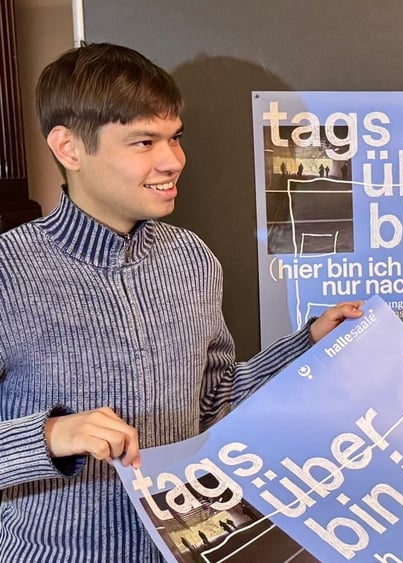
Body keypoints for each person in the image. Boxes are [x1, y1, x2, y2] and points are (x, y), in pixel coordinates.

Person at [0, 43, 362, 561]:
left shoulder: (191, 259)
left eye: (174, 138)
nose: (173, 161)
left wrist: (307, 347)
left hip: (195, 549)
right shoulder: (7, 272)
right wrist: (53, 434)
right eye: (143, 142)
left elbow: (214, 403)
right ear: (68, 148)